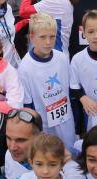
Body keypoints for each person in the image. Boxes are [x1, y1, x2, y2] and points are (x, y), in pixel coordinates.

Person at [18, 13, 76, 150]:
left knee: (70, 159)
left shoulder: (62, 58)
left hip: (67, 123)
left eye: (52, 37)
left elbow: (70, 92)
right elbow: (27, 104)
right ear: (32, 37)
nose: (48, 42)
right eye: (42, 37)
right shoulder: (25, 67)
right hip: (44, 128)